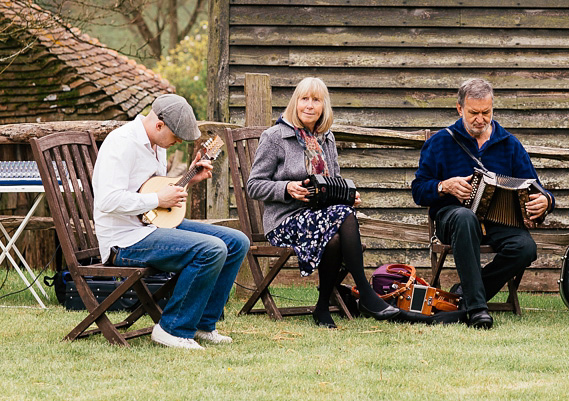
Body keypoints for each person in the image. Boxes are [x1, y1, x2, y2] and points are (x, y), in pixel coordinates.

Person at [92, 94, 250, 349]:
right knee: (211, 249)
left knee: (236, 241)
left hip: (151, 227)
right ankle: (172, 329)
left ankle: (202, 324)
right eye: (175, 137)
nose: (176, 143)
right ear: (159, 125)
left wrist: (189, 180)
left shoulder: (157, 146)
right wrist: (157, 199)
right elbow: (108, 201)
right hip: (124, 240)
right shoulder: (121, 143)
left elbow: (151, 190)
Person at [246, 77, 403, 328]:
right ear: (295, 103)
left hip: (321, 217)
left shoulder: (326, 138)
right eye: (304, 99)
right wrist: (287, 188)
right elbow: (253, 185)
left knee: (336, 235)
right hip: (284, 222)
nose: (309, 105)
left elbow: (335, 181)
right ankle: (365, 292)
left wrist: (349, 196)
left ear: (324, 106)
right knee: (343, 216)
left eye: (316, 100)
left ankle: (321, 308)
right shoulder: (274, 136)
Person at [412, 78, 554, 329]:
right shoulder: (441, 141)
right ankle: (478, 310)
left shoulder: (509, 144)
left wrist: (546, 201)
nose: (480, 119)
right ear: (459, 109)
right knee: (465, 218)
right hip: (453, 219)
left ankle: (463, 297)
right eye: (473, 113)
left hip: (497, 221)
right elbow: (419, 190)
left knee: (525, 247)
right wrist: (444, 186)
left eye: (486, 112)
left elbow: (537, 187)